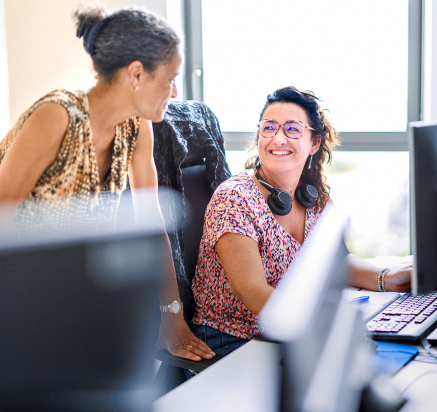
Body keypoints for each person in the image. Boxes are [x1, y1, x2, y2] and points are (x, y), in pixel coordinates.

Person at [0, 3, 214, 362]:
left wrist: (172, 320)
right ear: (136, 74)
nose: (175, 92)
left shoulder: (136, 126)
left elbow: (152, 224)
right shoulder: (56, 116)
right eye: (170, 77)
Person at [189, 86, 412, 357]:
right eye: (269, 127)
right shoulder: (234, 198)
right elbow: (252, 290)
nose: (278, 139)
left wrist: (387, 279)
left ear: (314, 143)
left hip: (286, 332)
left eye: (292, 129)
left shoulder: (312, 195)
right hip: (232, 340)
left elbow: (337, 260)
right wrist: (324, 329)